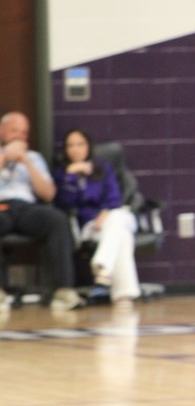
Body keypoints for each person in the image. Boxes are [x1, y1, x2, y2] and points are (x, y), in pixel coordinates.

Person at [0, 111, 83, 311]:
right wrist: (5, 157)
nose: (19, 136)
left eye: (24, 133)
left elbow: (49, 194)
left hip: (27, 207)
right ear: (2, 131)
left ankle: (63, 290)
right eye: (14, 131)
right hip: (1, 207)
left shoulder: (34, 158)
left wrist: (26, 163)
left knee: (56, 219)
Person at [53, 129, 141, 305]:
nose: (76, 149)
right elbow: (63, 202)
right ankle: (122, 294)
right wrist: (71, 177)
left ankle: (102, 263)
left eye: (80, 144)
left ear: (88, 146)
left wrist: (105, 213)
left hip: (115, 215)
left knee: (117, 219)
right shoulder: (61, 174)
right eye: (71, 145)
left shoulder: (102, 168)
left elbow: (115, 197)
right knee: (122, 236)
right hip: (89, 226)